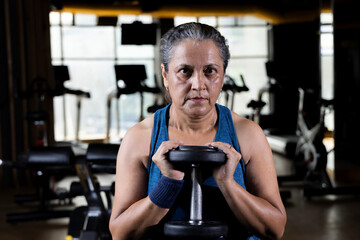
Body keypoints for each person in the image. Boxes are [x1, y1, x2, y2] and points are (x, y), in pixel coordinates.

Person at [109, 22, 286, 240]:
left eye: (210, 71)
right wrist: (167, 184)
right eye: (185, 71)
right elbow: (120, 233)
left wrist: (228, 185)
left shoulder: (248, 135)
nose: (198, 84)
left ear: (222, 76)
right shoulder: (140, 138)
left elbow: (274, 229)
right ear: (165, 75)